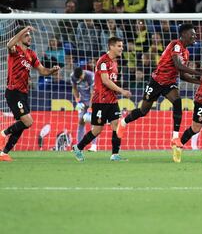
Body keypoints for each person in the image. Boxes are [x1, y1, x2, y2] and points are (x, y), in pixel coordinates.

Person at [116, 24, 202, 154]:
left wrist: (199, 82)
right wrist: (200, 73)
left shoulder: (186, 52)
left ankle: (175, 138)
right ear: (184, 34)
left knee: (177, 101)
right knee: (143, 111)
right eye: (192, 33)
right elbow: (178, 65)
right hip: (156, 81)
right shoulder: (176, 45)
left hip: (169, 84)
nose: (195, 36)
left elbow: (182, 75)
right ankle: (123, 122)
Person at [0, 26, 60, 161]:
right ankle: (3, 134)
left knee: (22, 124)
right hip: (13, 91)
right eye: (27, 35)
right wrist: (24, 29)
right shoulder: (15, 50)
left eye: (29, 35)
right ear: (20, 37)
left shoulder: (31, 54)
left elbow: (43, 71)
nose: (30, 37)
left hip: (23, 93)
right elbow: (9, 44)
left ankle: (4, 153)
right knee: (28, 121)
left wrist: (52, 70)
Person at [72, 37, 132, 162]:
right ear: (111, 46)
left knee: (117, 125)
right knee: (97, 129)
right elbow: (105, 80)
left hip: (112, 100)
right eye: (119, 46)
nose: (122, 48)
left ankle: (115, 154)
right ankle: (78, 147)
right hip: (100, 100)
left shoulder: (115, 62)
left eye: (122, 46)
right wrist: (122, 91)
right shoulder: (103, 62)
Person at [71, 67, 98, 152]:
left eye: (81, 77)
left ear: (83, 73)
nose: (80, 79)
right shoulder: (73, 76)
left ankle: (94, 146)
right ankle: (79, 146)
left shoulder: (91, 76)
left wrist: (90, 108)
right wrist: (77, 100)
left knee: (93, 121)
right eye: (78, 78)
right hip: (82, 101)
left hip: (94, 100)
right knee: (81, 121)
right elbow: (74, 88)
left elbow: (93, 93)